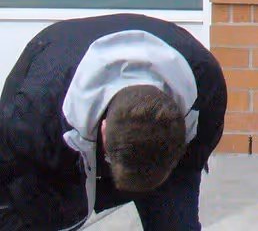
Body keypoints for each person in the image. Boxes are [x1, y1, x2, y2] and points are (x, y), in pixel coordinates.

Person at [0, 14, 227, 230]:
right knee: (38, 211)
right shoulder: (32, 114)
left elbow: (190, 165)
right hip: (54, 53)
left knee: (174, 220)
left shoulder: (207, 87)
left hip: (172, 56)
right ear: (104, 130)